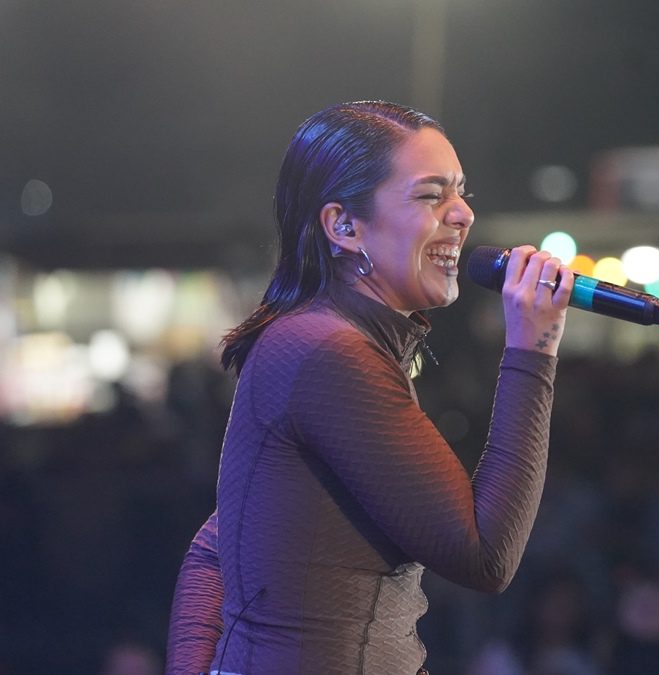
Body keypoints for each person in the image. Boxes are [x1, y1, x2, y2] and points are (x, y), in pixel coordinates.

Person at [165, 100, 574, 675]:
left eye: (461, 193)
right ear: (344, 226)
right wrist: (533, 350)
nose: (461, 215)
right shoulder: (328, 351)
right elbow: (485, 556)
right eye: (431, 195)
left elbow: (217, 548)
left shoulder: (317, 339)